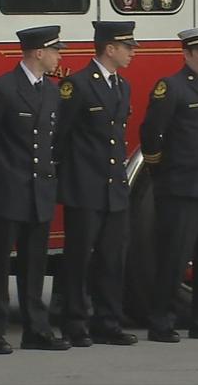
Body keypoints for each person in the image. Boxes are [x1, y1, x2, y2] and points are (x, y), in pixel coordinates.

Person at [0, 25, 71, 354]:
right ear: (38, 52)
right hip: (8, 189)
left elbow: (53, 141)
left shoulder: (51, 91)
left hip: (39, 189)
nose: (59, 57)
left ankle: (36, 330)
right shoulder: (1, 89)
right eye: (55, 51)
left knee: (34, 263)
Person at [140, 26, 198, 343]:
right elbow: (151, 132)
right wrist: (160, 171)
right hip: (182, 186)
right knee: (174, 257)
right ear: (187, 55)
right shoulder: (172, 87)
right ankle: (161, 320)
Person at [56, 21, 139, 347]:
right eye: (127, 47)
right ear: (110, 48)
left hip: (114, 187)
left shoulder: (122, 86)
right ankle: (75, 322)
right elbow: (60, 137)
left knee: (112, 258)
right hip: (85, 186)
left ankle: (108, 321)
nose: (132, 53)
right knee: (79, 258)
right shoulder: (77, 85)